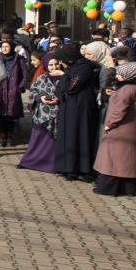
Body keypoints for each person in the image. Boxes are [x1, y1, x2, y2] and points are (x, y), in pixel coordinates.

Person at [93, 62, 136, 197]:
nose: (117, 76)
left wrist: (110, 124)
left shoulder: (126, 89)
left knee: (113, 160)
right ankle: (128, 188)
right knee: (129, 161)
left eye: (120, 74)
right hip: (134, 128)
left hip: (120, 129)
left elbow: (120, 110)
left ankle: (108, 188)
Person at [54, 47, 101, 182]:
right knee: (68, 136)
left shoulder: (84, 68)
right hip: (70, 107)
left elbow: (72, 87)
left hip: (80, 108)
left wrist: (63, 75)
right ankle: (68, 167)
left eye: (61, 60)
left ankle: (79, 169)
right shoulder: (74, 67)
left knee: (78, 136)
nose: (60, 63)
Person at [19, 56, 65, 173]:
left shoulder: (65, 78)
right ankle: (31, 161)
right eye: (50, 65)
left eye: (56, 64)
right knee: (38, 139)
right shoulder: (42, 77)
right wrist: (41, 98)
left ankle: (51, 165)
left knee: (52, 142)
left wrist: (59, 99)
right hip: (42, 115)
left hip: (58, 115)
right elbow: (33, 92)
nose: (54, 67)